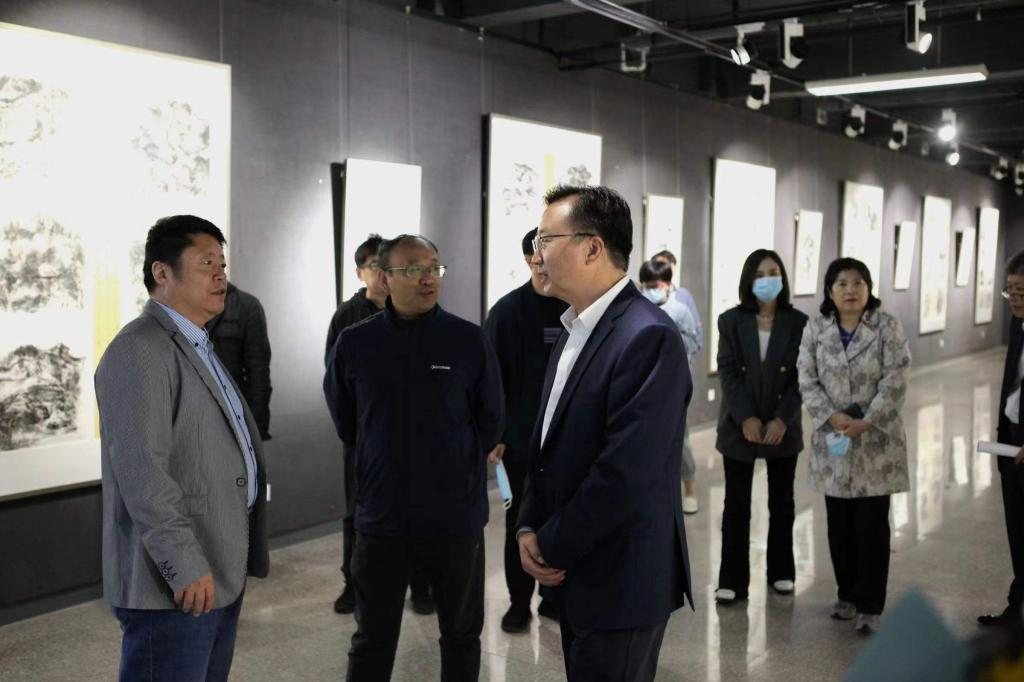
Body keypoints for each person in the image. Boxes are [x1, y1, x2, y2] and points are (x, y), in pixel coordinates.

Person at [516, 185, 692, 682]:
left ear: (592, 247)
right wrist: (528, 524)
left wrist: (550, 542)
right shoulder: (576, 328)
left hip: (621, 577)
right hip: (577, 565)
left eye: (545, 240)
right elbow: (547, 444)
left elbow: (625, 474)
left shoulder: (647, 335)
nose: (536, 255)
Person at [94, 215, 269, 682]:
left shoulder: (196, 344)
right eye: (206, 263)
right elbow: (142, 473)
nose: (221, 275)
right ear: (162, 272)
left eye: (222, 264)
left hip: (217, 567)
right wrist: (184, 564)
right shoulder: (140, 349)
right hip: (175, 582)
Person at [324, 234, 504, 681]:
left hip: (455, 516)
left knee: (461, 634)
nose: (427, 279)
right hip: (383, 517)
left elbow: (491, 418)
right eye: (413, 269)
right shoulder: (356, 343)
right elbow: (347, 422)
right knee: (372, 639)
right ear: (384, 278)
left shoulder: (467, 340)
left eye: (434, 268)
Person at [323, 234, 436, 617]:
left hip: (416, 437)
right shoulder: (347, 318)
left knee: (419, 508)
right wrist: (357, 432)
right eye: (372, 266)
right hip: (364, 437)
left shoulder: (419, 315)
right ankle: (353, 584)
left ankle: (421, 585)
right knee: (358, 511)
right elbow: (335, 382)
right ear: (363, 273)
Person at [797, 257, 910, 635]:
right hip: (834, 440)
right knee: (839, 525)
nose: (851, 290)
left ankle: (870, 604)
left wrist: (867, 419)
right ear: (829, 291)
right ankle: (846, 594)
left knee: (871, 525)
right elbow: (806, 377)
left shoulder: (887, 327)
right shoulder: (816, 329)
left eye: (858, 283)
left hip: (875, 441)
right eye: (842, 283)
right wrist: (831, 416)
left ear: (869, 288)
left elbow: (896, 378)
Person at [483, 227, 568, 633]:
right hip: (517, 442)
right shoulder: (506, 313)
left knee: (560, 519)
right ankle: (519, 603)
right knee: (518, 522)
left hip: (566, 439)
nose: (542, 261)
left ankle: (553, 596)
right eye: (536, 254)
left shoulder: (575, 308)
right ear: (528, 259)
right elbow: (489, 380)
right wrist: (494, 434)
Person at [713, 249, 808, 605]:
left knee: (782, 502)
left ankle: (782, 571)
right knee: (736, 505)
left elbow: (803, 376)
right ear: (749, 280)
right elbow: (727, 372)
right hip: (739, 425)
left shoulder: (798, 322)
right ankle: (732, 580)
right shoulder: (731, 321)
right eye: (760, 274)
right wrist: (746, 418)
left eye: (774, 272)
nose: (768, 279)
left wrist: (782, 418)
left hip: (784, 425)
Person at [979, 250, 1024, 628]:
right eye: (1010, 291)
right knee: (1017, 530)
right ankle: (1017, 608)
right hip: (1011, 439)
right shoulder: (1017, 324)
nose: (1015, 299)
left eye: (1022, 292)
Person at [638, 258, 701, 513]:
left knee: (680, 438)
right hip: (644, 385)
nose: (649, 290)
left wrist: (668, 342)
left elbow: (694, 344)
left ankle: (690, 489)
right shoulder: (639, 308)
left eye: (654, 285)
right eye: (645, 285)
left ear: (666, 284)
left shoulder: (680, 311)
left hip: (673, 384)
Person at [206, 282, 273, 440]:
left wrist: (255, 432)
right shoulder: (182, 304)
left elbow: (258, 375)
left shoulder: (246, 307)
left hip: (233, 417)